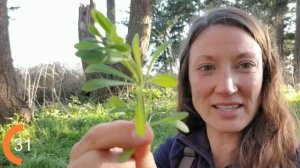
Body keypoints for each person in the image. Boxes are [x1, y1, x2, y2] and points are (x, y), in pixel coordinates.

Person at [68, 7, 300, 168]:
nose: (227, 87)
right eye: (207, 67)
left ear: (266, 77)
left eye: (246, 65)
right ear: (187, 82)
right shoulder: (173, 156)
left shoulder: (294, 159)